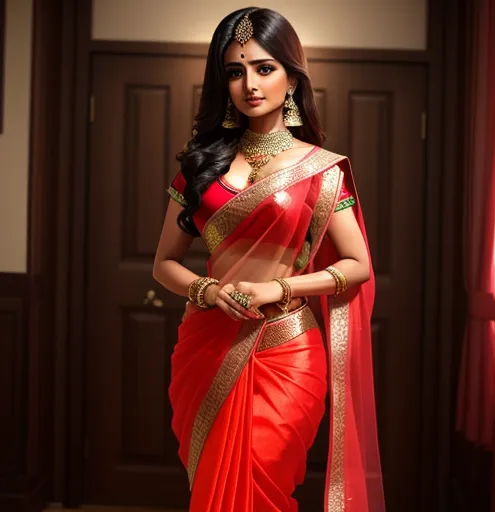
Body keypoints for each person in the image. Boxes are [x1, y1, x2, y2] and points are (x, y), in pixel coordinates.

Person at [153, 7, 385, 511]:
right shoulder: (201, 166)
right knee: (214, 485)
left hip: (287, 351)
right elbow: (164, 264)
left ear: (291, 76)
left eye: (264, 68)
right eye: (235, 72)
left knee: (264, 484)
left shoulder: (321, 171)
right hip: (207, 344)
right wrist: (209, 291)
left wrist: (277, 289)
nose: (250, 84)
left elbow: (356, 264)